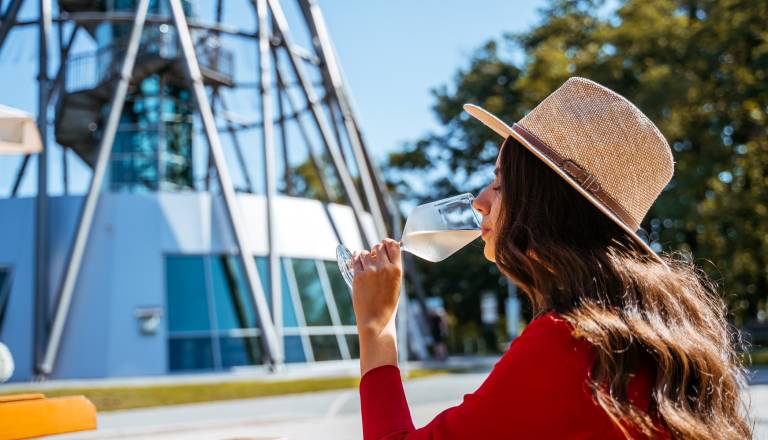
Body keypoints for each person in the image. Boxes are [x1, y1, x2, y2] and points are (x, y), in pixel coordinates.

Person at [349, 77, 751, 439]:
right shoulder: (651, 338)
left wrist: (376, 327)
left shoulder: (571, 345)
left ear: (545, 205)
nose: (480, 202)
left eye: (501, 184)